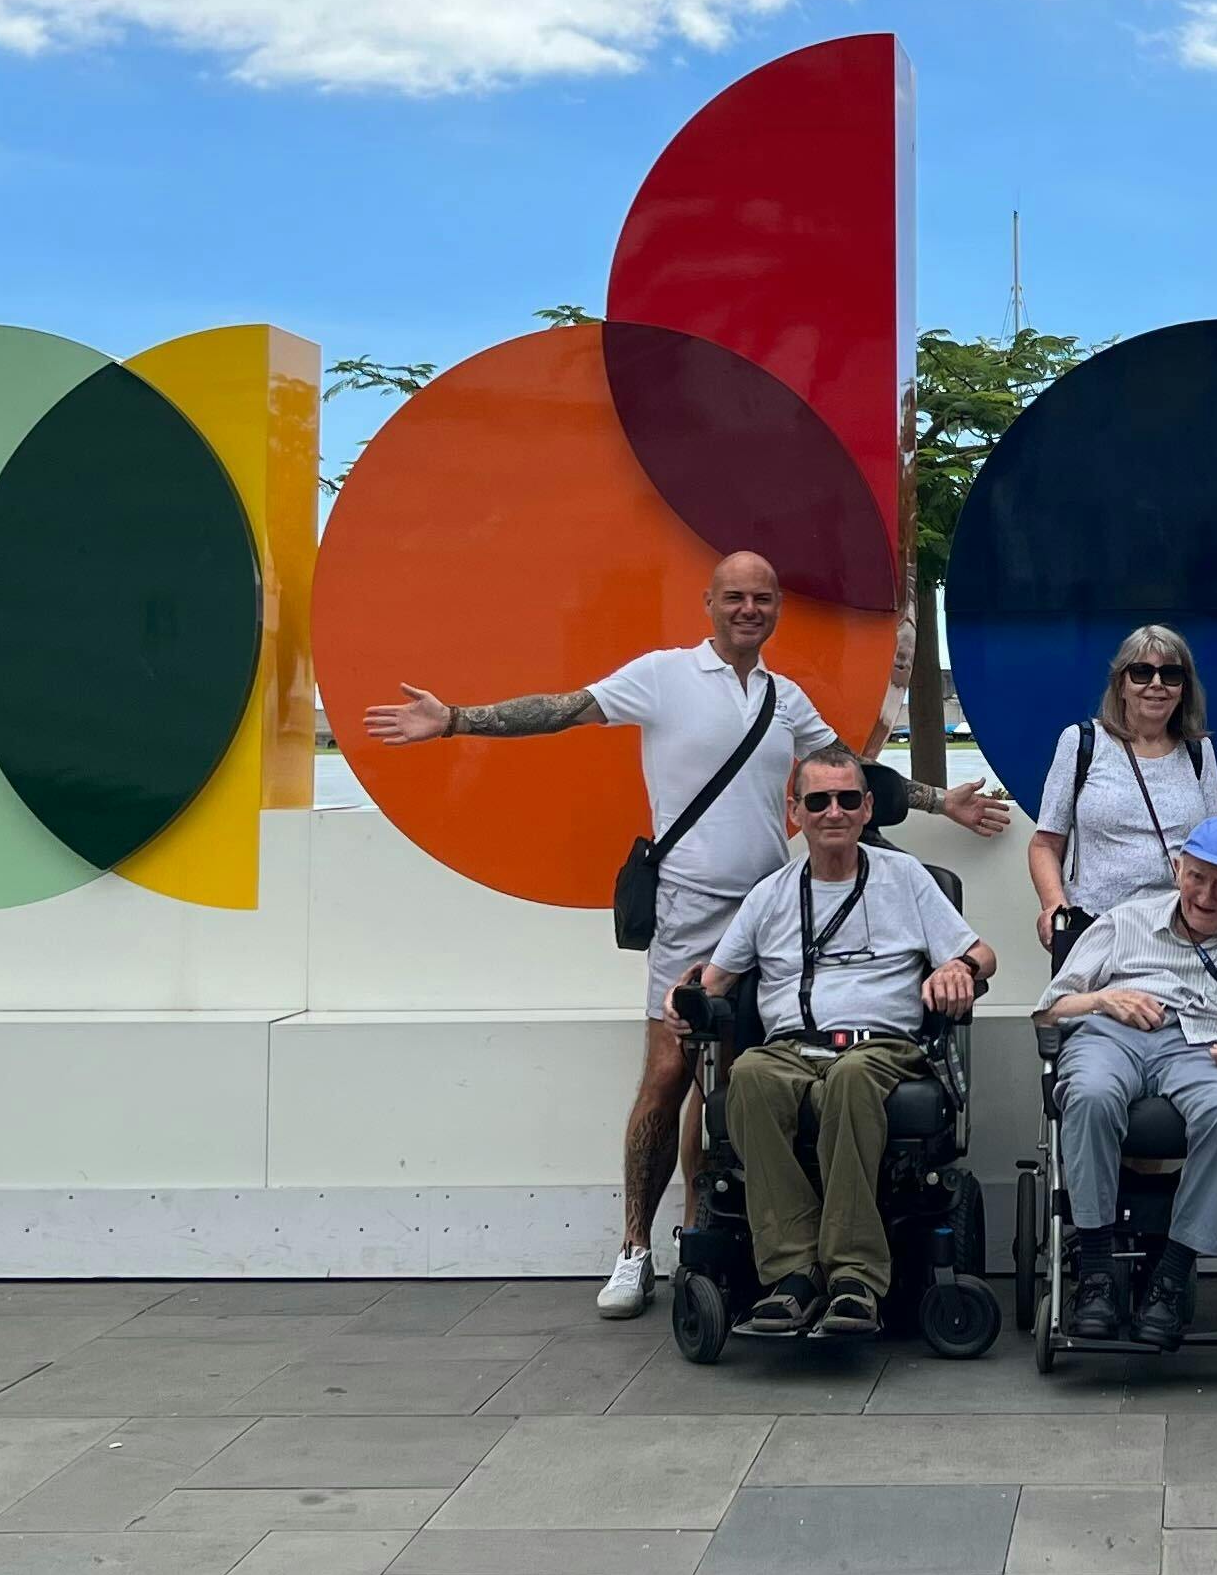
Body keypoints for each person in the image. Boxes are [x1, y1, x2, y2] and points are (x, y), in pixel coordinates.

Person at [360, 550, 1013, 1318]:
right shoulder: (664, 676)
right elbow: (567, 709)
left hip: (777, 917)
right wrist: (458, 721)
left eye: (762, 598)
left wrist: (944, 803)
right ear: (709, 603)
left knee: (742, 1087)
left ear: (774, 608)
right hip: (690, 913)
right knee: (670, 1078)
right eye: (734, 597)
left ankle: (712, 1235)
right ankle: (636, 1248)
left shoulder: (784, 697)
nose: (749, 609)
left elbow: (852, 774)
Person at [690, 747, 995, 1337]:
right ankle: (793, 1274)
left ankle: (854, 1277)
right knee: (748, 1077)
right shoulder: (771, 894)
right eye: (819, 800)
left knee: (851, 1083)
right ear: (796, 811)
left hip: (879, 1049)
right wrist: (689, 999)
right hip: (790, 1049)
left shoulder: (906, 878)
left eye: (848, 799)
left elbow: (983, 954)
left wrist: (958, 968)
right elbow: (716, 981)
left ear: (867, 808)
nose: (835, 811)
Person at [1042, 816, 1217, 1349]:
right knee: (1088, 1093)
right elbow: (1051, 1011)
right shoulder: (1125, 920)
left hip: (1198, 1043)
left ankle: (1172, 1278)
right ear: (1178, 869)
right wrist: (1105, 999)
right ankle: (1098, 1272)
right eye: (1197, 877)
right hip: (1113, 1032)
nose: (1206, 895)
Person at [1030, 626, 1217, 958]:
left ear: (1184, 688)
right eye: (1142, 672)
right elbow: (1045, 844)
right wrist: (1055, 907)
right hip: (1097, 932)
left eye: (1171, 674)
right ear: (1121, 683)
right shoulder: (1081, 743)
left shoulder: (1199, 751)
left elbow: (1216, 848)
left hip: (1180, 934)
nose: (1157, 684)